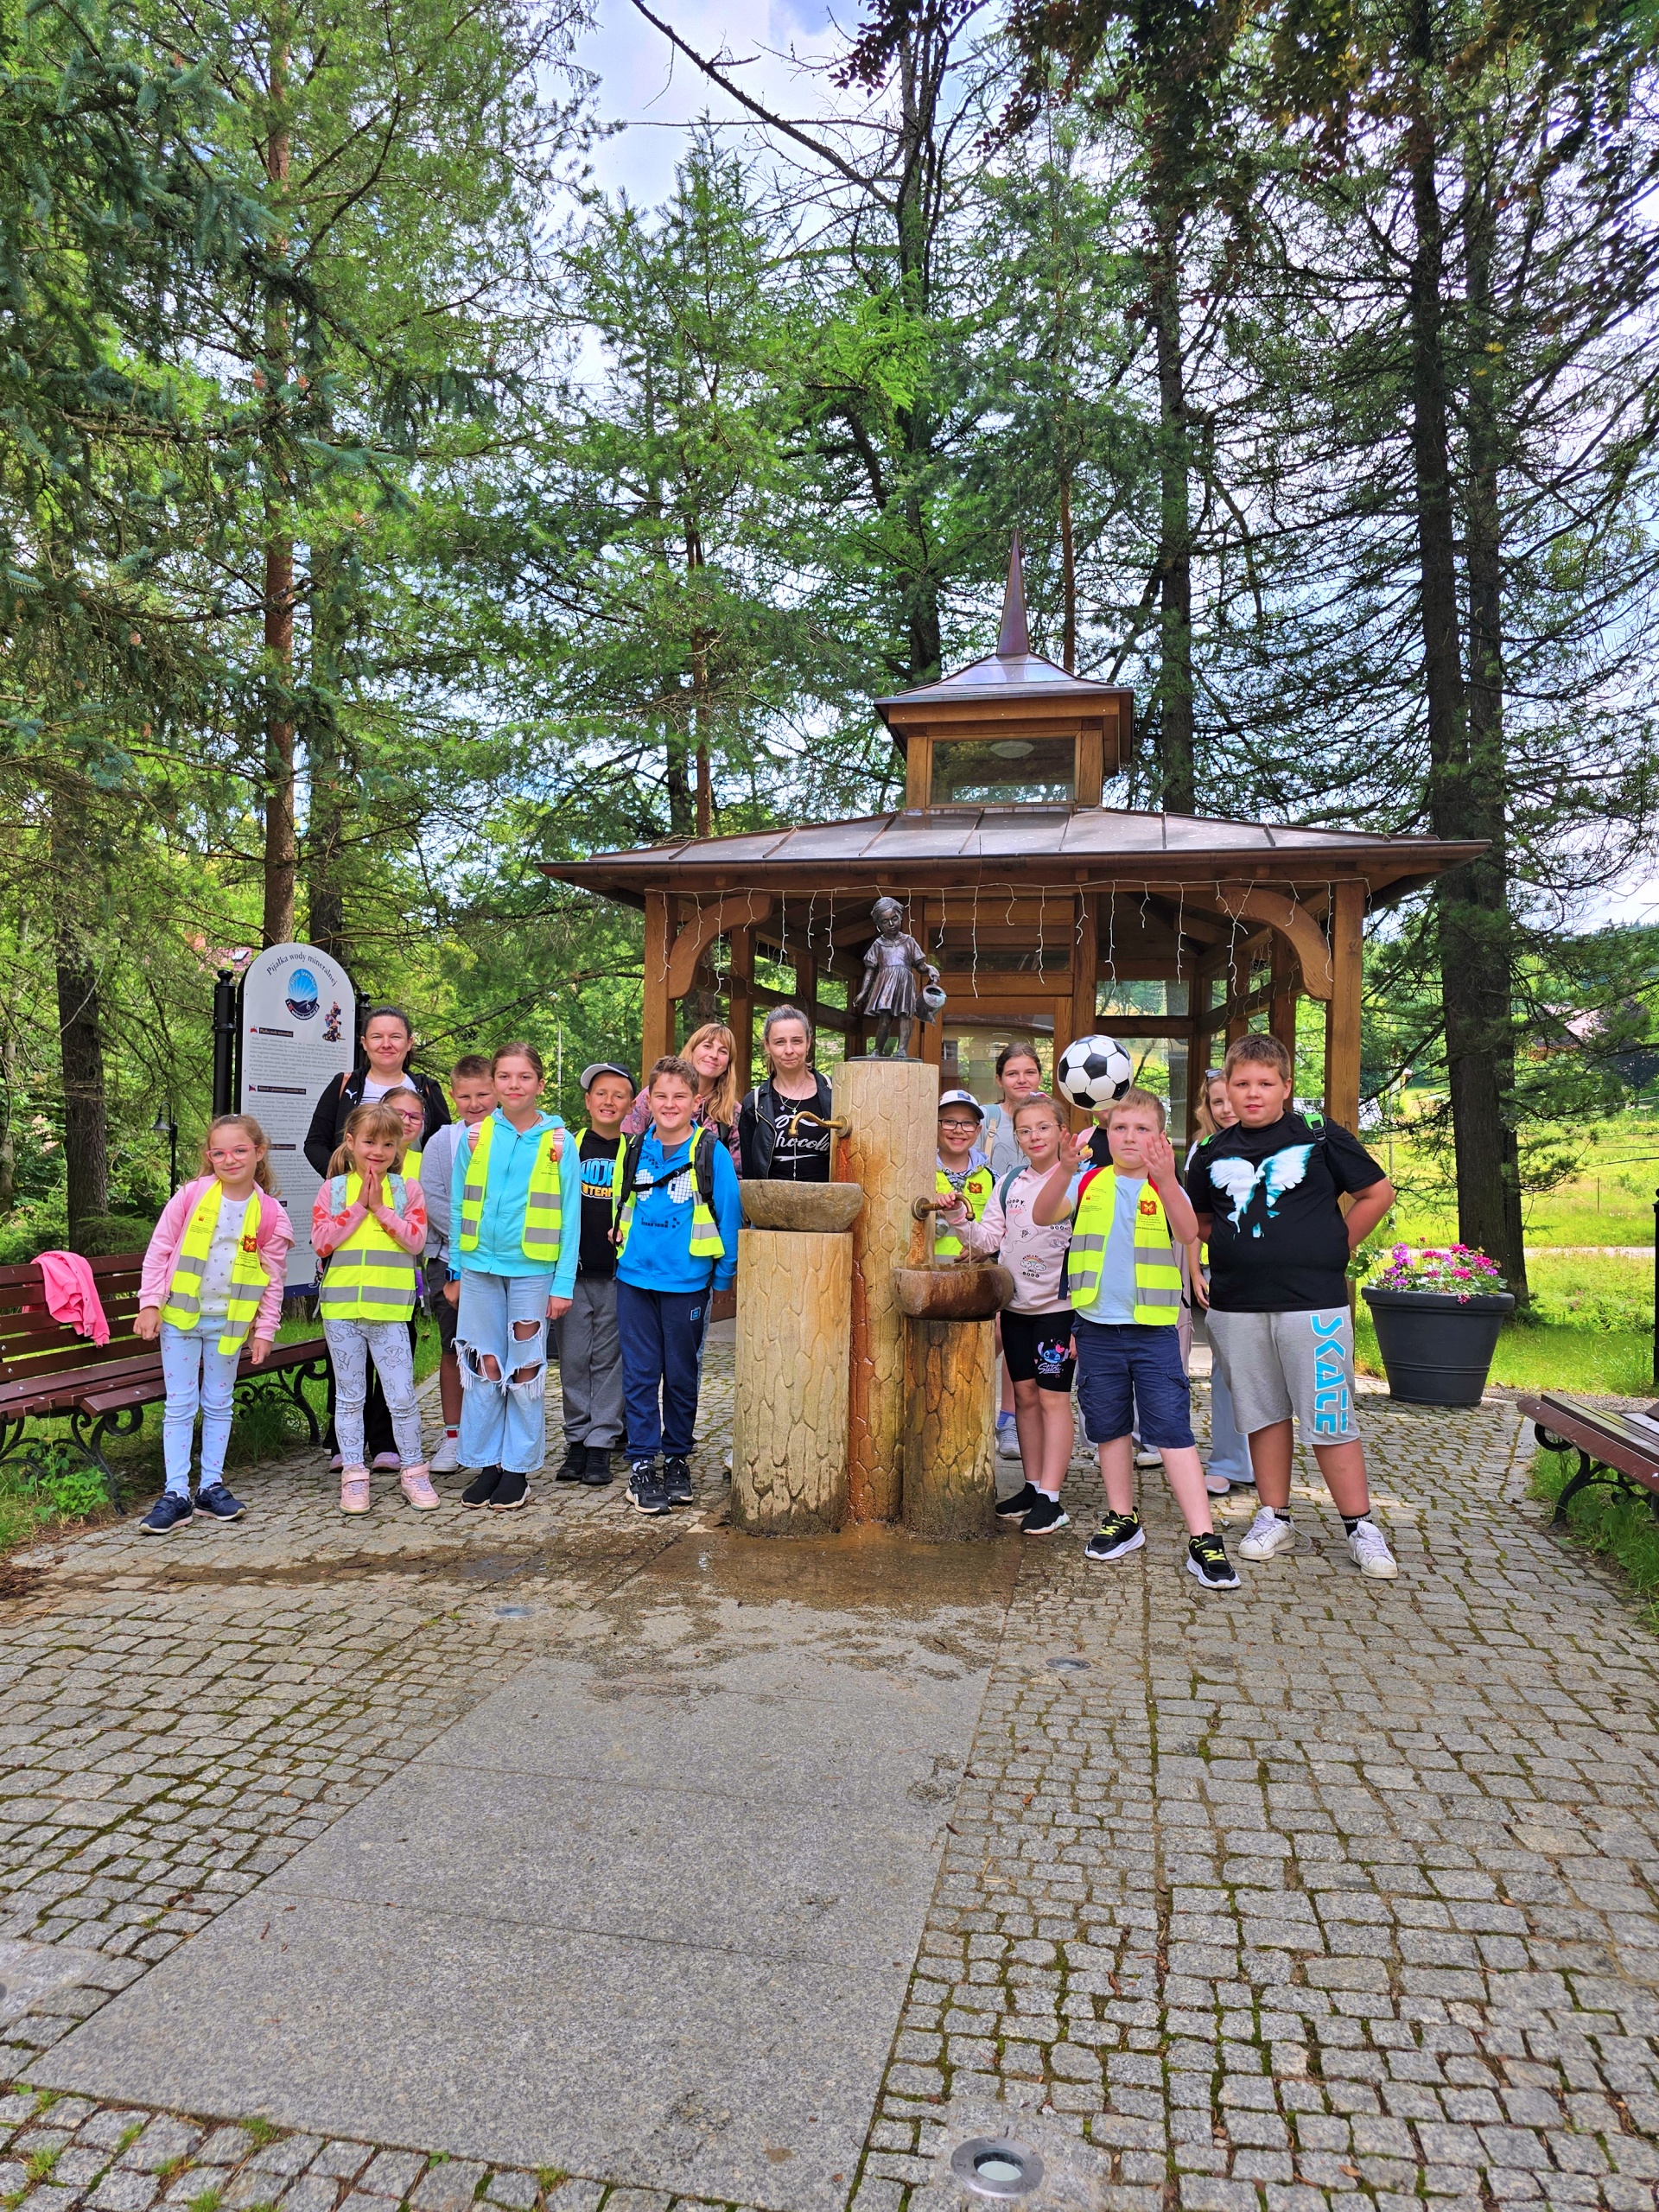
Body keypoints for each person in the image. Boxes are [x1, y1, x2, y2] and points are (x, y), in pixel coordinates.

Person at [1186, 1033, 1400, 1580]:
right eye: (1241, 1084)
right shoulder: (1211, 1152)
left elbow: (1378, 1193)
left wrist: (1337, 1245)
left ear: (1286, 1086)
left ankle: (1360, 1526)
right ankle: (1274, 1516)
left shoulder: (1319, 1134)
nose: (1252, 1093)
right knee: (1263, 1414)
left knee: (1329, 1414)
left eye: (1265, 1083)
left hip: (1314, 1305)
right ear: (1226, 1089)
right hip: (1237, 1306)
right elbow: (1201, 1222)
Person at [1032, 1086, 1240, 1589]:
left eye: (1142, 1129)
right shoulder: (1088, 1181)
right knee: (1109, 1428)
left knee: (1172, 1430)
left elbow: (1188, 1232)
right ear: (1106, 1133)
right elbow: (1042, 1214)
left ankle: (1203, 1537)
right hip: (1096, 1329)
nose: (1129, 1137)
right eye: (1120, 1127)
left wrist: (1167, 1181)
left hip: (1153, 1333)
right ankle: (1122, 1518)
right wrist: (1062, 1168)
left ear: (1160, 1138)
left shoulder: (1166, 1185)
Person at [133, 1115, 294, 1533]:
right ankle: (175, 1493)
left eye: (240, 1150)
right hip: (180, 1319)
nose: (230, 1159)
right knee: (180, 1405)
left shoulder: (270, 1215)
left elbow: (273, 1278)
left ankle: (210, 1487)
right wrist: (150, 1304)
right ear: (209, 1156)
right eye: (219, 1152)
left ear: (259, 1152)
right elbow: (159, 1250)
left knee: (220, 1403)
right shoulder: (190, 1196)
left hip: (230, 1323)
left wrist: (265, 1330)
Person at [451, 1042, 582, 1511]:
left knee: (525, 1371)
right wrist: (456, 1268)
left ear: (540, 1084)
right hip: (480, 1270)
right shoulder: (475, 1136)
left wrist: (562, 1284)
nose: (514, 1085)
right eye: (504, 1077)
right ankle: (486, 1463)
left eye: (524, 1077)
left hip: (533, 1271)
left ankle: (517, 1469)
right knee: (484, 1366)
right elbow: (459, 1204)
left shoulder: (559, 1141)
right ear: (493, 1084)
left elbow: (571, 1217)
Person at [940, 1092, 1077, 1535]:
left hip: (1059, 1310)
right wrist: (959, 1217)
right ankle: (1033, 1486)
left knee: (1054, 1400)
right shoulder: (1010, 1182)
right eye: (1024, 1130)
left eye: (1043, 1127)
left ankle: (1052, 1498)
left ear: (1062, 1131)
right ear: (1015, 1137)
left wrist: (1081, 1321)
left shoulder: (1078, 1182)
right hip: (1016, 1309)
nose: (1034, 1136)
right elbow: (986, 1240)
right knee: (1025, 1398)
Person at [613, 1054, 742, 1517]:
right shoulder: (632, 1148)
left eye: (680, 1097)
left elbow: (729, 1216)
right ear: (649, 1100)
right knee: (640, 1374)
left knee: (682, 1375)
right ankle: (642, 1463)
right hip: (634, 1280)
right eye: (661, 1096)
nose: (670, 1104)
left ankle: (677, 1459)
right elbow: (621, 1206)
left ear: (695, 1101)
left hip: (687, 1283)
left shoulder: (711, 1152)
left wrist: (722, 1276)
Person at [312, 1102, 435, 1515]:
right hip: (342, 1309)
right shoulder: (333, 1190)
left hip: (391, 1310)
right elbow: (321, 1242)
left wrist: (381, 1208)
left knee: (401, 1396)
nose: (378, 1151)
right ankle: (353, 1476)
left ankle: (414, 1472)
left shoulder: (407, 1190)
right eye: (369, 1142)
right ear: (351, 1143)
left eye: (387, 1144)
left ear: (398, 1147)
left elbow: (416, 1241)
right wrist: (359, 1207)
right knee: (350, 1398)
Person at [556, 1062, 635, 1487]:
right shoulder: (565, 1147)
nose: (609, 1101)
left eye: (618, 1095)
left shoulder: (635, 1150)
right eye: (600, 1093)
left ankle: (602, 1442)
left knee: (609, 1361)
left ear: (630, 1105)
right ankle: (576, 1439)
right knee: (573, 1359)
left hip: (617, 1276)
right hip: (572, 1274)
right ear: (587, 1101)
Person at [420, 1055, 496, 1474]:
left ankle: (490, 1435)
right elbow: (433, 1199)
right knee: (453, 1349)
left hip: (502, 1261)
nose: (475, 1103)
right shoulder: (442, 1142)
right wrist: (472, 1241)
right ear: (452, 1096)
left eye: (483, 1094)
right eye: (465, 1097)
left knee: (494, 1351)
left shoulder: (513, 1137)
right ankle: (453, 1436)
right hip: (451, 1259)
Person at [1184, 1070, 1252, 1497]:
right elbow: (1195, 1218)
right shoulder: (1202, 1150)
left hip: (1282, 1278)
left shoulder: (1281, 1139)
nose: (1226, 1109)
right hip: (1226, 1271)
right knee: (1227, 1368)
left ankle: (1266, 1463)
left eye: (1231, 1098)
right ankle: (1230, 1461)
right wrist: (1195, 1271)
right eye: (1217, 1102)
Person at [979, 1045, 1046, 1456]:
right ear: (1000, 1079)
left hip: (1030, 1241)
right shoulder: (985, 1118)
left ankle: (1008, 1420)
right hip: (988, 1232)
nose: (1022, 1080)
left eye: (1029, 1072)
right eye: (1013, 1073)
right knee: (996, 1330)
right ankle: (970, 1397)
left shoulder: (1047, 1118)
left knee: (1012, 1328)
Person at [302, 1004, 449, 1173]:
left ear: (409, 1043)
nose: (386, 1044)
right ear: (364, 1043)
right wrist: (342, 1178)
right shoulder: (344, 1085)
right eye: (377, 1037)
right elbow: (315, 1143)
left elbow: (443, 1148)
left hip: (414, 1186)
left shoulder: (426, 1089)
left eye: (395, 1037)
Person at [621, 1021, 741, 1166]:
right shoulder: (653, 1095)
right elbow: (626, 1146)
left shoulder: (733, 1113)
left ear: (728, 1063)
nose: (714, 1055)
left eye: (723, 1051)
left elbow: (738, 1172)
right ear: (692, 1050)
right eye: (707, 1046)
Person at [737, 1006, 835, 1180]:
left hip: (830, 1196)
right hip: (773, 1198)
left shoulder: (835, 1092)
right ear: (767, 1045)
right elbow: (750, 1175)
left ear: (808, 1043)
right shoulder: (755, 1103)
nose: (789, 1050)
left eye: (796, 1041)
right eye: (780, 1042)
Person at [933, 1090, 995, 1258]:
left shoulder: (992, 1177)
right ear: (934, 1124)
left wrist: (983, 1249)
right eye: (949, 1122)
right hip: (926, 1269)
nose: (958, 1130)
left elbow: (1001, 1227)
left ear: (978, 1130)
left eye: (967, 1123)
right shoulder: (919, 1173)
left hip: (975, 1271)